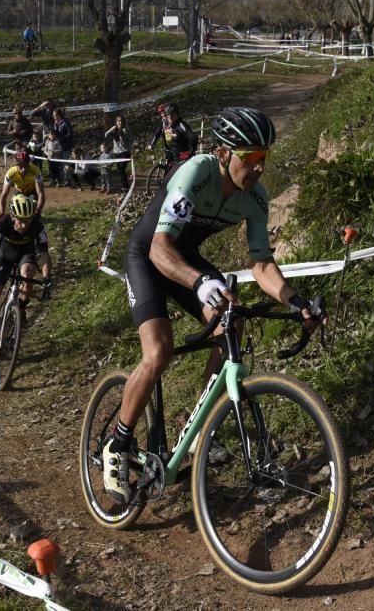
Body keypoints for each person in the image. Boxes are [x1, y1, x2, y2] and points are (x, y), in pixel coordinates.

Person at [102, 107, 326, 503]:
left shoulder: (255, 198)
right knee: (159, 351)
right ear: (223, 153)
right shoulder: (197, 173)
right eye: (250, 157)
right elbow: (159, 247)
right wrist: (200, 280)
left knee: (232, 327)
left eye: (264, 158)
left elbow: (260, 263)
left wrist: (295, 301)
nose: (258, 167)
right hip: (150, 256)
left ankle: (199, 429)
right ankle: (117, 445)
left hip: (186, 260)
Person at [0, 194, 53, 355]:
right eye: (20, 220)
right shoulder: (2, 223)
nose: (24, 225)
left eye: (27, 220)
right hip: (5, 255)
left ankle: (20, 309)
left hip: (25, 255)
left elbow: (45, 257)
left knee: (27, 273)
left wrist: (47, 277)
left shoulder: (37, 227)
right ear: (12, 217)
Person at [148, 102, 198, 173]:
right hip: (172, 152)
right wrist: (151, 143)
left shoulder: (181, 125)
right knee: (169, 171)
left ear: (177, 114)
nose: (170, 117)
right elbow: (157, 133)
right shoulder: (165, 123)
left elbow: (193, 137)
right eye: (168, 115)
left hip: (182, 156)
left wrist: (189, 152)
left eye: (172, 114)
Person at [0, 149, 45, 216]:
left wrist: (38, 211)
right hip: (19, 191)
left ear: (29, 163)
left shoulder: (36, 171)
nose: (23, 169)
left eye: (26, 166)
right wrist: (2, 214)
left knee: (32, 209)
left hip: (32, 191)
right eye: (20, 166)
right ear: (16, 165)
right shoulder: (10, 173)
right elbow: (4, 194)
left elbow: (40, 193)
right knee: (16, 211)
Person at [105, 114, 133, 191]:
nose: (120, 122)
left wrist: (121, 136)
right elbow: (106, 135)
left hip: (125, 152)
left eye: (121, 121)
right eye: (118, 121)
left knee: (121, 169)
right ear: (116, 122)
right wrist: (111, 130)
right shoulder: (114, 129)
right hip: (117, 153)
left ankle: (125, 187)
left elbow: (126, 143)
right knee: (120, 170)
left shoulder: (125, 130)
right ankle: (124, 187)